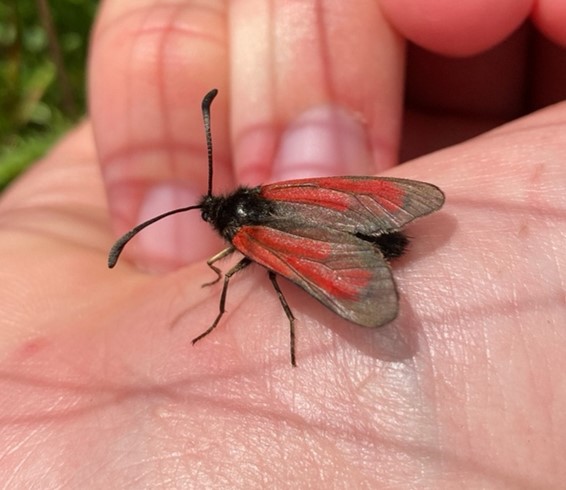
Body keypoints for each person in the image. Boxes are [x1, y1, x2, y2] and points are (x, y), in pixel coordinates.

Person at [1, 1, 565, 486]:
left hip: (355, 254)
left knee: (260, 271)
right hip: (367, 234)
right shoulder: (270, 198)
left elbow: (246, 270)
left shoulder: (241, 237)